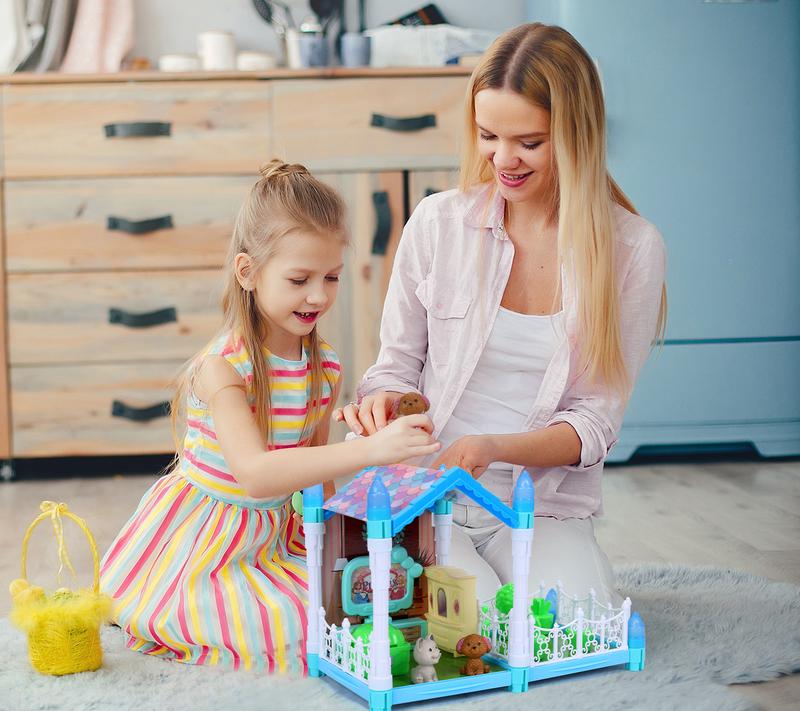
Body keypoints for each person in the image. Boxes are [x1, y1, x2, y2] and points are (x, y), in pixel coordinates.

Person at [335, 23, 667, 607]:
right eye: (489, 135)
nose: (503, 159)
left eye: (529, 142)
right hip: (431, 492)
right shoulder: (439, 224)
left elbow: (594, 424)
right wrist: (382, 404)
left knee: (567, 627)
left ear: (575, 135)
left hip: (545, 506)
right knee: (467, 626)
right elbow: (395, 367)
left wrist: (496, 447)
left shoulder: (632, 249)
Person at [100, 160, 439, 672]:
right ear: (248, 272)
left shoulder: (323, 367)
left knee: (351, 606)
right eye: (300, 279)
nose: (319, 295)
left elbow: (316, 479)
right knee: (295, 626)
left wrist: (340, 551)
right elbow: (256, 475)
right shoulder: (222, 368)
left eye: (331, 277)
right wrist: (368, 451)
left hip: (277, 537)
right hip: (206, 544)